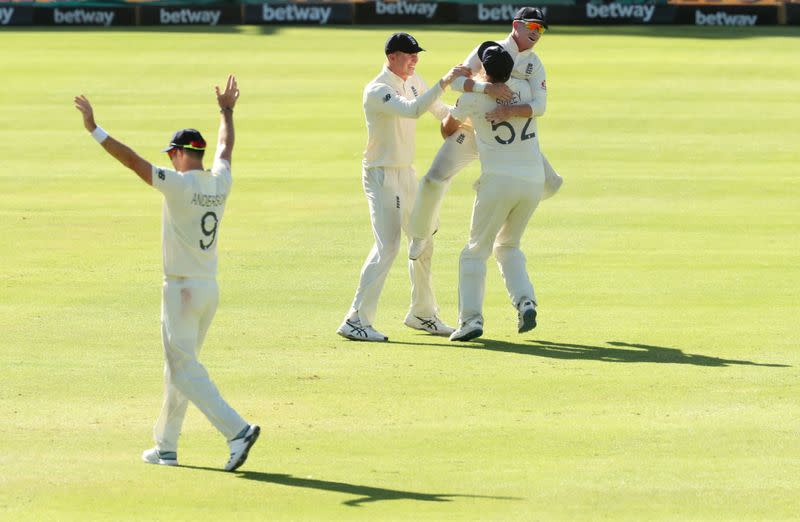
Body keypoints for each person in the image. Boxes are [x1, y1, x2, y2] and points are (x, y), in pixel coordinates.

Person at [73, 75, 260, 472]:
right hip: (208, 288)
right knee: (180, 367)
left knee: (184, 369)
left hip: (181, 290)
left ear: (177, 153)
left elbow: (133, 161)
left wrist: (94, 129)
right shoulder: (220, 180)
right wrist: (226, 111)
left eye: (171, 153)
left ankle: (237, 430)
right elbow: (226, 145)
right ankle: (167, 446)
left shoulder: (176, 184)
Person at [336, 32, 469, 342]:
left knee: (423, 240)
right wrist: (445, 80)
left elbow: (440, 111)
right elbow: (411, 109)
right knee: (389, 246)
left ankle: (423, 313)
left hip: (406, 173)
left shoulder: (413, 80)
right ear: (391, 56)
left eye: (416, 55)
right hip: (381, 175)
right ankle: (355, 319)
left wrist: (473, 117)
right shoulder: (377, 90)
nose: (414, 60)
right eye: (409, 55)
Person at [407, 7, 563, 261]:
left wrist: (509, 111)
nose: (537, 33)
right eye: (533, 27)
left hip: (510, 139)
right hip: (473, 128)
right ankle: (421, 234)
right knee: (432, 179)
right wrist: (486, 88)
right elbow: (457, 82)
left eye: (541, 29)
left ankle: (506, 220)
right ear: (517, 26)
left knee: (550, 184)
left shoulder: (535, 64)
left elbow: (540, 107)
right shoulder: (489, 49)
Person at [443, 43, 544, 342]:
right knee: (508, 246)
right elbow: (538, 104)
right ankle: (526, 301)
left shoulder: (473, 98)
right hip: (532, 181)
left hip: (498, 182)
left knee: (474, 252)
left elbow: (448, 130)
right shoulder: (525, 90)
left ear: (484, 70)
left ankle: (470, 320)